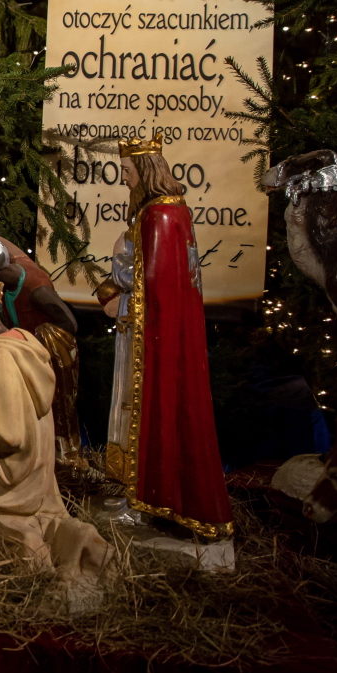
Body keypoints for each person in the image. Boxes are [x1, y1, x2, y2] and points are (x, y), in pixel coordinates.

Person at [96, 138, 233, 539]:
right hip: (151, 329)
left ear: (145, 170)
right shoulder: (174, 213)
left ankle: (146, 497)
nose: (124, 180)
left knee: (143, 407)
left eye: (127, 172)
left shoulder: (157, 215)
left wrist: (116, 289)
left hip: (148, 334)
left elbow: (146, 280)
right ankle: (147, 494)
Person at [0, 276, 111, 582]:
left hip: (9, 463)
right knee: (44, 516)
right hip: (37, 453)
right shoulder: (25, 341)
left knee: (15, 524)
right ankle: (85, 545)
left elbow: (4, 431)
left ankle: (33, 578)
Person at [0, 222, 85, 465]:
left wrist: (35, 343)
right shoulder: (4, 270)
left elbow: (69, 324)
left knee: (55, 405)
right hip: (23, 348)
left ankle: (65, 456)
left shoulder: (35, 288)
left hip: (49, 351)